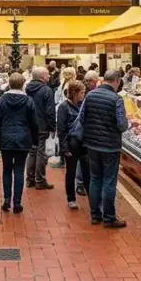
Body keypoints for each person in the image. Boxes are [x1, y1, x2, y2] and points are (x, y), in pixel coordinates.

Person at [82, 70, 129, 228]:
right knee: (109, 181)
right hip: (110, 146)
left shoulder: (90, 95)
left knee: (95, 179)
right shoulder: (117, 99)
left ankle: (95, 215)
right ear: (116, 81)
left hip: (91, 144)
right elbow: (122, 125)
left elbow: (81, 118)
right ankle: (109, 218)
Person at [0, 73, 38, 214]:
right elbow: (34, 123)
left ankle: (6, 199)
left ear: (10, 84)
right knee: (19, 170)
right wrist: (35, 140)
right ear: (22, 84)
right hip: (23, 138)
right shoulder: (29, 101)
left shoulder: (2, 100)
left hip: (6, 138)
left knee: (6, 169)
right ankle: (17, 202)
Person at [56, 80, 90, 209]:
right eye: (82, 92)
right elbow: (61, 130)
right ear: (75, 93)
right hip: (71, 145)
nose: (83, 95)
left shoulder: (84, 105)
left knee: (87, 172)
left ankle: (91, 195)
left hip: (84, 143)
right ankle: (71, 198)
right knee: (71, 172)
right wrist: (64, 148)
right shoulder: (63, 107)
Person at [24, 66, 57, 190]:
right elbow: (50, 111)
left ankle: (29, 179)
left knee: (32, 151)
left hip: (29, 125)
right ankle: (40, 180)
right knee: (41, 153)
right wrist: (52, 126)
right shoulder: (46, 90)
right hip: (42, 125)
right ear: (42, 77)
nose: (49, 76)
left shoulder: (27, 89)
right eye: (47, 74)